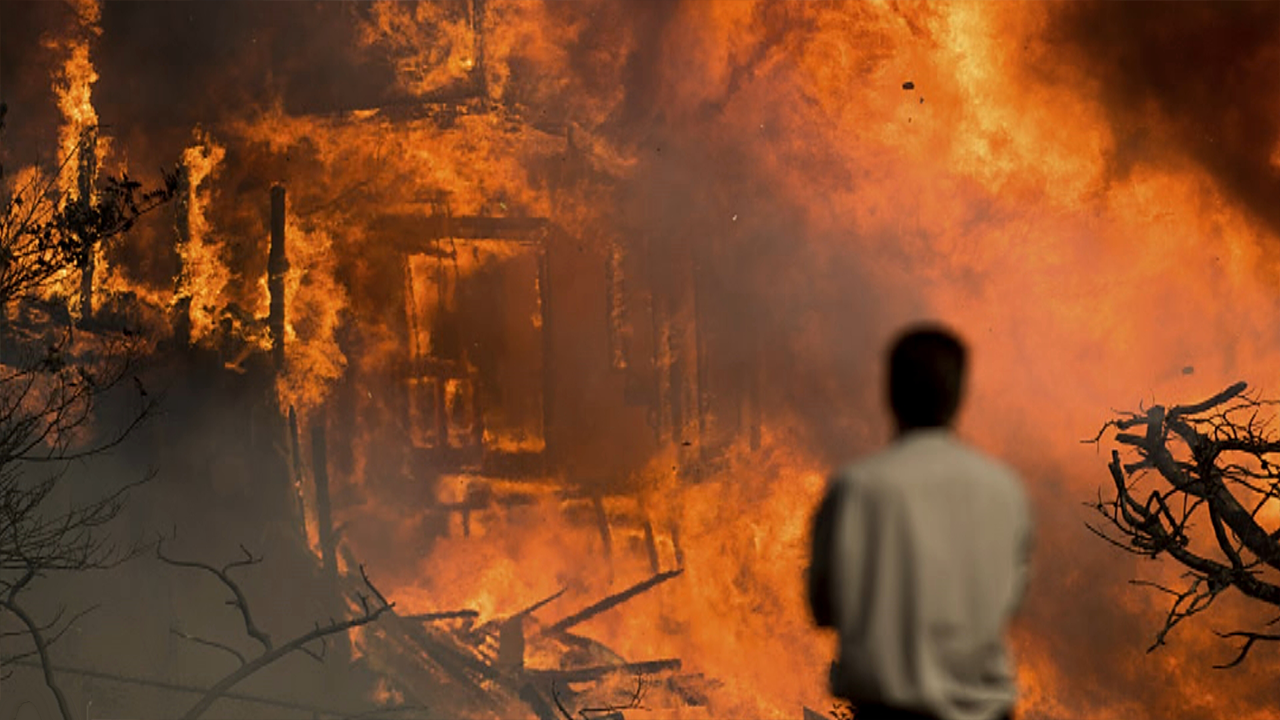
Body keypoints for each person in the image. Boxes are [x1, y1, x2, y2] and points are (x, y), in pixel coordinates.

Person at [807, 324, 1032, 720]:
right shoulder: (1005, 491)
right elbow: (1009, 602)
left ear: (890, 394)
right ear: (959, 396)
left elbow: (824, 608)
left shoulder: (857, 489)